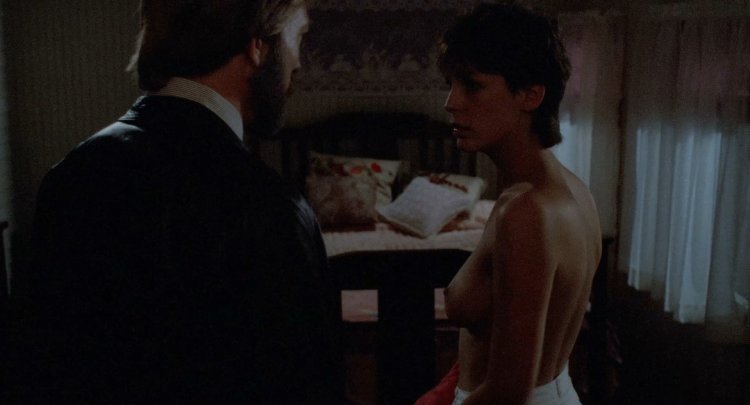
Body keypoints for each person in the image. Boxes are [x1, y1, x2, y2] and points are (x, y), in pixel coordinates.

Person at [12, 0, 343, 403]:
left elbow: (46, 365)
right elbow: (306, 383)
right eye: (298, 37)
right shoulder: (268, 207)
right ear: (257, 47)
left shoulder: (71, 175)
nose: (298, 64)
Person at [416, 3, 601, 405]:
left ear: (530, 95)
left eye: (472, 85)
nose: (451, 101)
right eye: (451, 83)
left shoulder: (526, 210)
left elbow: (508, 392)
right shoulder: (573, 190)